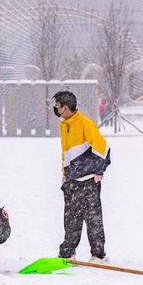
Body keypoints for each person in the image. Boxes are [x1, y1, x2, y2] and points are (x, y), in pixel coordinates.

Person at [53, 91, 111, 262]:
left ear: (65, 107)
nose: (55, 109)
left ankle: (98, 255)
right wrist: (65, 173)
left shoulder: (85, 123)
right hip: (71, 180)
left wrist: (99, 171)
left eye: (57, 106)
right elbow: (67, 153)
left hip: (89, 180)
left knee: (93, 219)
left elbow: (102, 147)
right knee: (71, 219)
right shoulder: (64, 124)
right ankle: (68, 253)